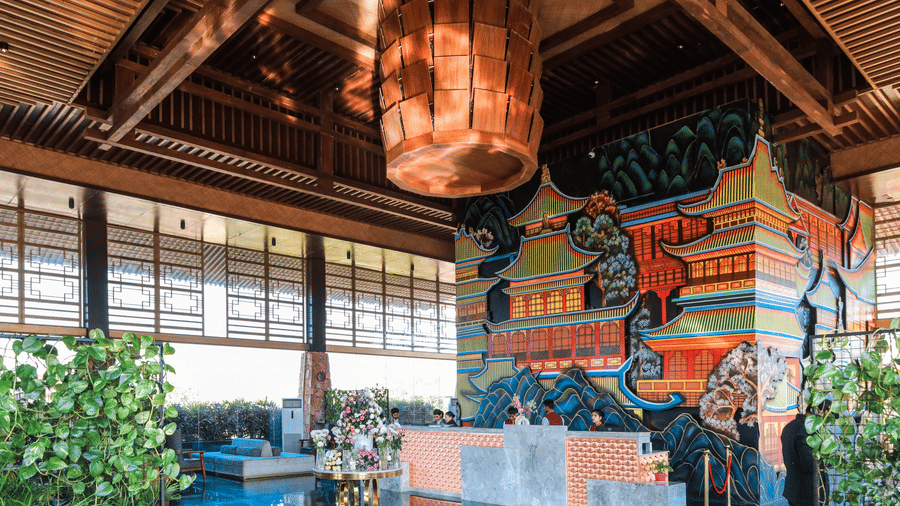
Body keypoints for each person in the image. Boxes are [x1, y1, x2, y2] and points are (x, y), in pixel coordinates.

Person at [781, 400, 829, 506]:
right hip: (808, 494)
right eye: (826, 417)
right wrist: (827, 457)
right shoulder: (806, 430)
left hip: (794, 490)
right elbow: (809, 464)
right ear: (819, 412)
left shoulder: (790, 426)